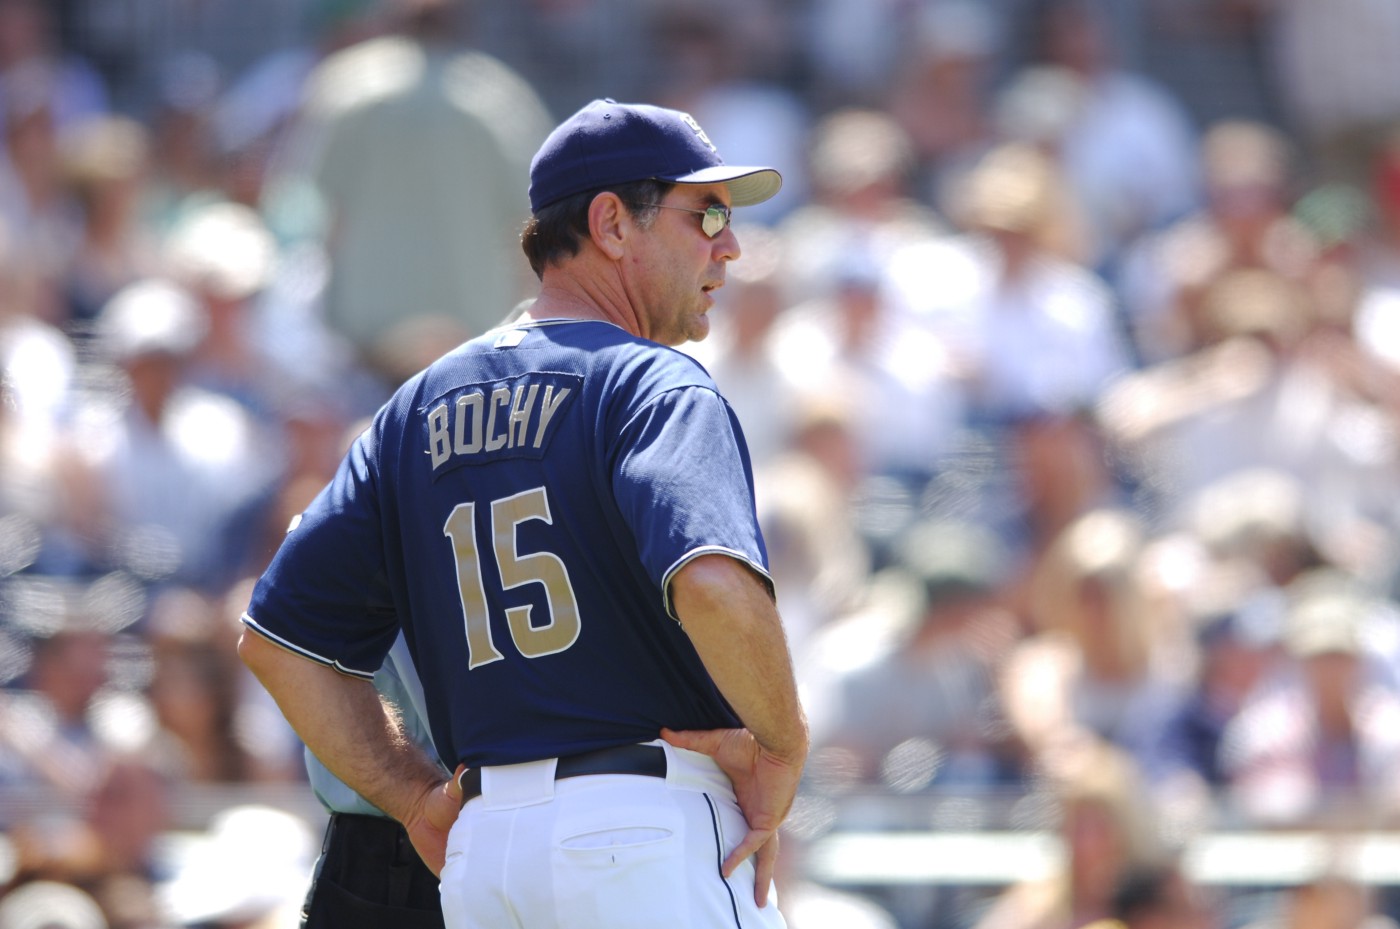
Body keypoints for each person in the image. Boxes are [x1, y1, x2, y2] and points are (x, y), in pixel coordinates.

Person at [237, 97, 809, 928]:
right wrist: (783, 747)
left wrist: (411, 796)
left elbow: (279, 642)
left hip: (486, 855)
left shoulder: (416, 405)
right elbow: (714, 583)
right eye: (706, 212)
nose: (730, 243)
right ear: (612, 223)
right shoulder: (654, 382)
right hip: (645, 837)